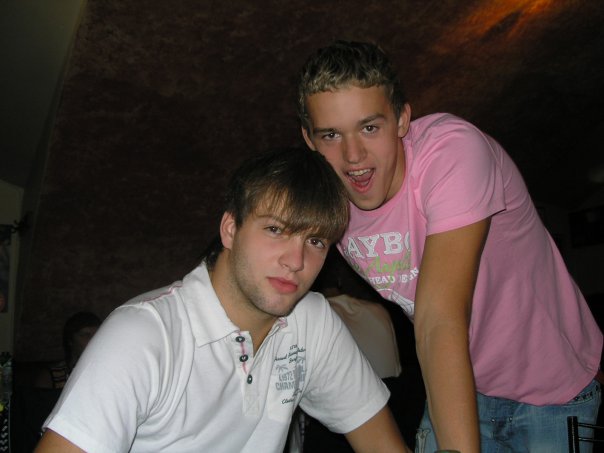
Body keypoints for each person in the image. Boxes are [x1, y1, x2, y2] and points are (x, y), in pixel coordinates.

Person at [297, 40, 603, 452]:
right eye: (331, 134)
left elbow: (438, 317)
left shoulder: (452, 152)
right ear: (310, 140)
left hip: (553, 390)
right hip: (461, 387)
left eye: (370, 127)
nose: (353, 156)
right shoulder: (327, 200)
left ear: (402, 119)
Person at [34, 148, 410, 453]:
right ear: (230, 229)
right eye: (276, 229)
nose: (296, 261)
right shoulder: (143, 336)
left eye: (315, 241)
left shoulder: (311, 321)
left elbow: (383, 445)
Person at [35, 311, 102, 389]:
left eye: (97, 335)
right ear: (70, 340)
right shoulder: (50, 377)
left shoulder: (105, 371)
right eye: (86, 335)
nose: (93, 340)